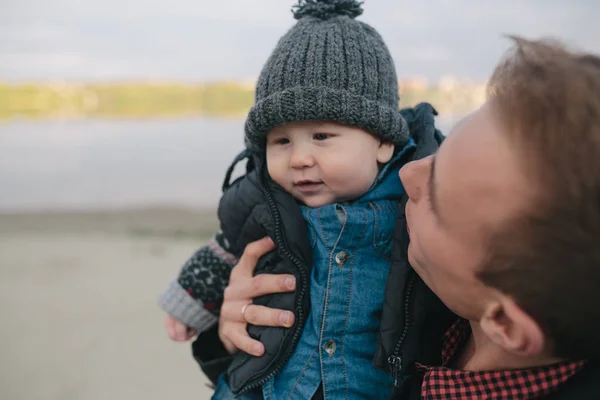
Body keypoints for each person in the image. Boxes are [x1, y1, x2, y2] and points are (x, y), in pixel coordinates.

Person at [218, 37, 600, 399]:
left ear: (505, 324)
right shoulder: (447, 308)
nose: (406, 175)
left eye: (435, 194)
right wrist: (233, 332)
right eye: (440, 152)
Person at [158, 0, 450, 399]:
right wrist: (190, 300)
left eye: (322, 137)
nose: (299, 159)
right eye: (281, 141)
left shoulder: (423, 202)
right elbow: (227, 246)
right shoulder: (265, 200)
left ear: (383, 140)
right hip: (267, 385)